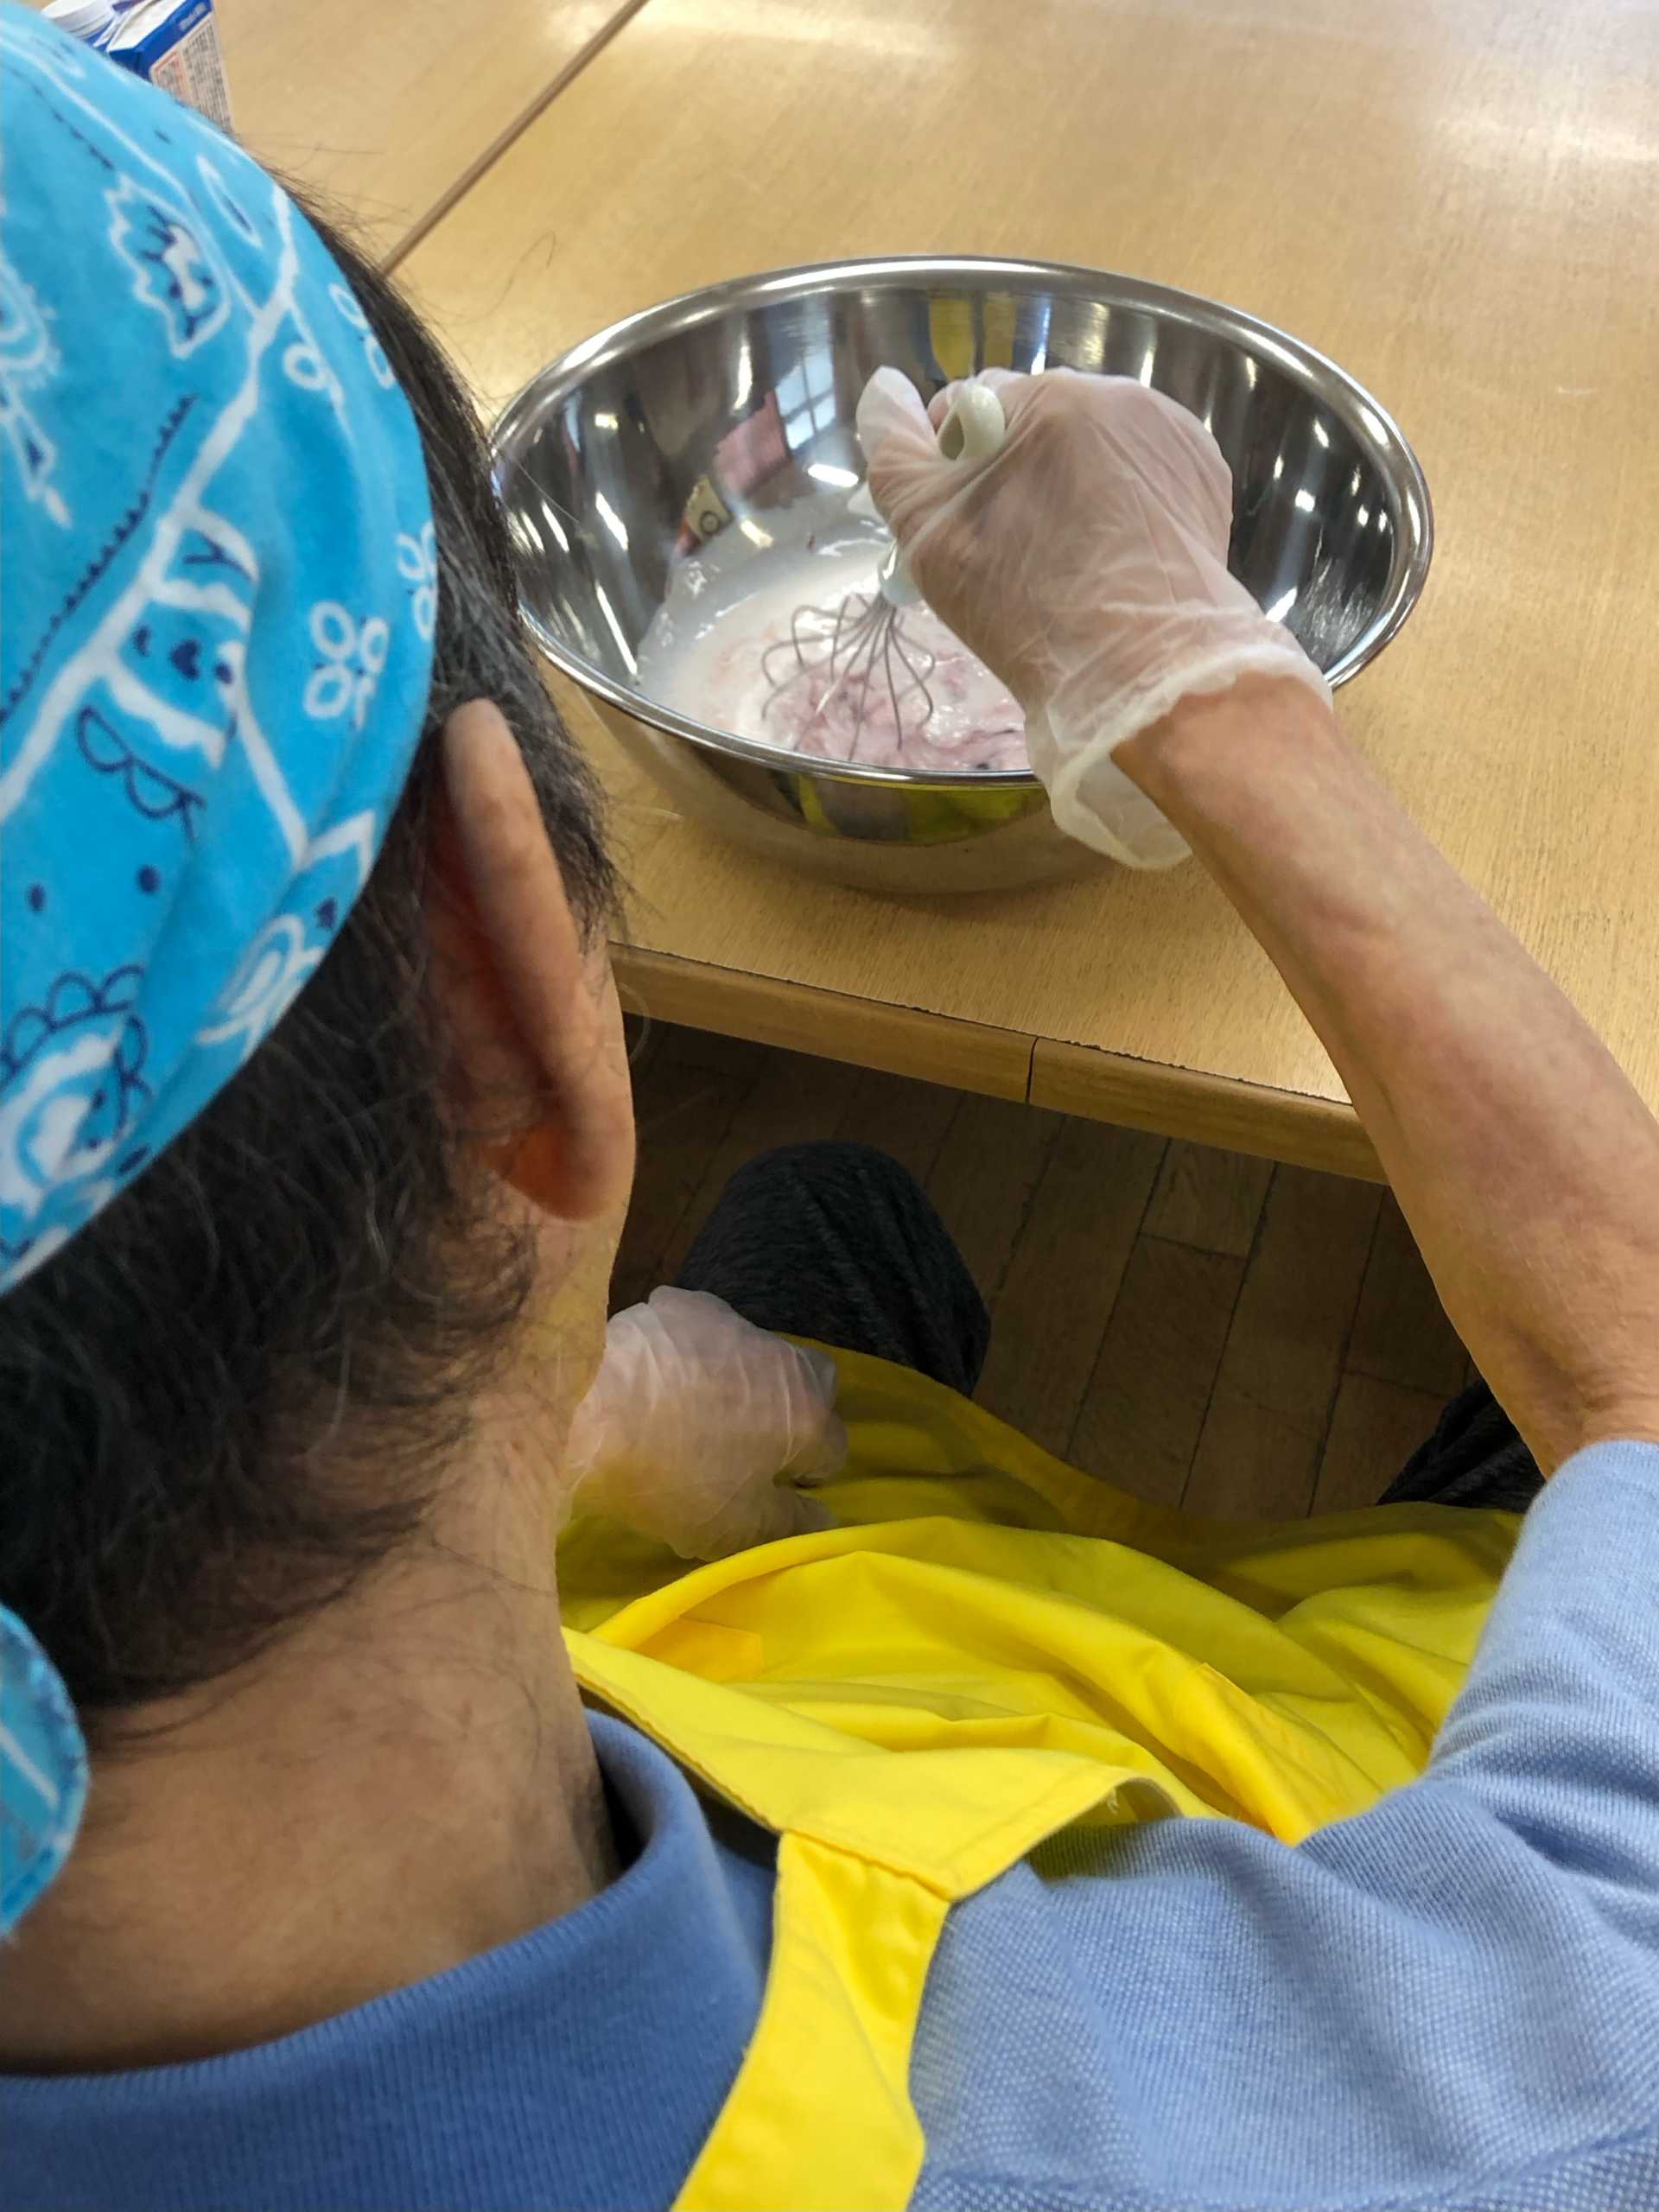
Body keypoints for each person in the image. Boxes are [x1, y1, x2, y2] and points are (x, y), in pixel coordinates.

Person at [3, 10, 1657, 2209]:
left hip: (705, 1639)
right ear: (496, 996)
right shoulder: (1438, 2089)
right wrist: (1201, 673)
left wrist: (574, 1425)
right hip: (1289, 1732)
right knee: (1512, 1447)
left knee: (829, 1204)